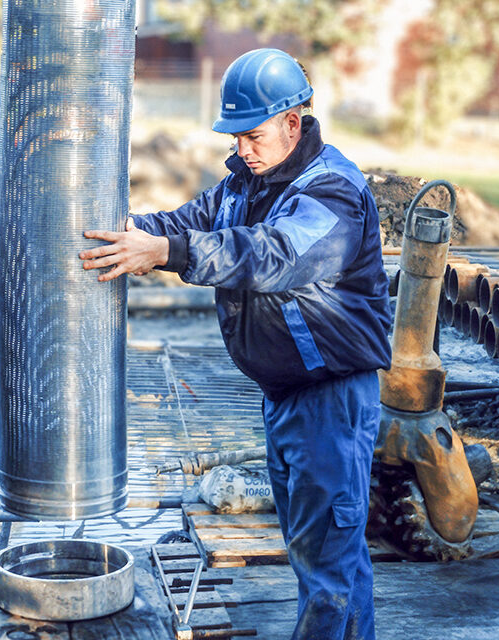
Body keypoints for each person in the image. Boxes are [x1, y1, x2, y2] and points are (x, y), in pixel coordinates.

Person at [79, 48, 391, 640]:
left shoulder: (332, 195)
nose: (242, 148)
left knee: (331, 568)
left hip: (331, 399)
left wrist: (168, 255)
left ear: (292, 123)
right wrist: (127, 233)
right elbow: (185, 224)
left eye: (251, 135)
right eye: (234, 136)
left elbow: (272, 255)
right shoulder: (244, 184)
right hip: (286, 395)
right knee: (320, 553)